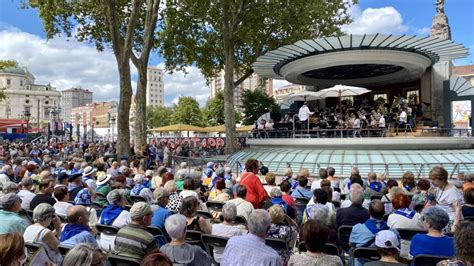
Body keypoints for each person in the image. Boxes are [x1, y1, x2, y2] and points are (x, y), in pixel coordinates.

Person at [387, 194, 423, 258]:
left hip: (399, 251)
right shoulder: (418, 215)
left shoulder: (391, 217)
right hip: (416, 250)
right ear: (408, 203)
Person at [428, 166, 463, 231]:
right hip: (441, 220)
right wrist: (431, 196)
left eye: (434, 179)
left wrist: (455, 225)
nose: (432, 182)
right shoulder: (439, 187)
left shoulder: (451, 191)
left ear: (442, 179)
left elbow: (458, 208)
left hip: (450, 221)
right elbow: (437, 203)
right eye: (431, 179)